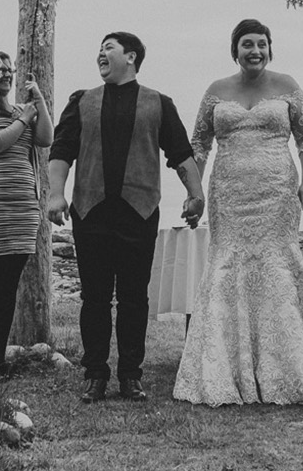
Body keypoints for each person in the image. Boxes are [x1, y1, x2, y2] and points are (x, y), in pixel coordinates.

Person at [173, 19, 303, 405]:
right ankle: (225, 367)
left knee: (277, 264)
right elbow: (199, 144)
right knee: (227, 265)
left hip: (277, 191)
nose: (254, 51)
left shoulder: (287, 86)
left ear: (270, 49)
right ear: (234, 50)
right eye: (246, 45)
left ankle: (288, 366)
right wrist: (194, 192)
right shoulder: (216, 91)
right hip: (229, 193)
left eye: (261, 44)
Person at [47, 32, 205, 403]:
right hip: (90, 210)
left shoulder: (158, 103)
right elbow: (62, 150)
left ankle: (131, 375)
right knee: (95, 298)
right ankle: (95, 374)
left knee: (135, 299)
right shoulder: (81, 101)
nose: (100, 53)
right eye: (99, 48)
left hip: (139, 211)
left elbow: (181, 154)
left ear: (130, 57)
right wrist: (56, 194)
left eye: (108, 47)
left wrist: (196, 194)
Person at [0, 50, 53, 379]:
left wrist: (40, 104)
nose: (8, 74)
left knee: (9, 286)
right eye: (1, 69)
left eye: (11, 70)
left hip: (24, 206)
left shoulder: (25, 110)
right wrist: (24, 119)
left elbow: (46, 139)